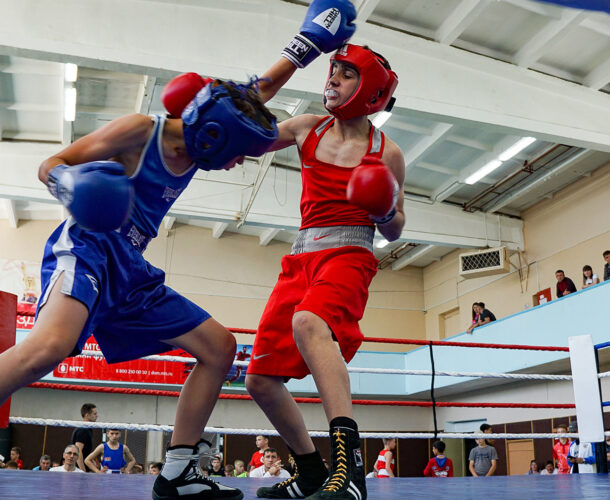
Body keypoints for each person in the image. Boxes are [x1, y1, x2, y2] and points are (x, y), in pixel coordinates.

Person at [0, 1, 355, 498]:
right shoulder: (138, 132)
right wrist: (72, 186)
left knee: (219, 347)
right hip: (88, 246)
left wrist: (307, 44)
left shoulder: (213, 124)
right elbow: (51, 164)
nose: (234, 166)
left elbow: (250, 98)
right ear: (213, 136)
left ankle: (178, 473)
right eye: (234, 155)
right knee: (49, 347)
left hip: (131, 269)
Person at [246, 38, 402, 500]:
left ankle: (350, 470)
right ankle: (312, 471)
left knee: (309, 322)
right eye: (331, 69)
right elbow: (248, 140)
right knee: (259, 379)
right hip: (300, 257)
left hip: (349, 254)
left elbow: (395, 230)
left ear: (371, 88)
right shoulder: (306, 127)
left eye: (345, 72)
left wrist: (383, 207)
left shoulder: (386, 153)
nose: (331, 78)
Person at [71, 402, 98, 472]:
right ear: (87, 415)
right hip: (78, 469)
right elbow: (78, 450)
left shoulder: (88, 429)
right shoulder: (83, 430)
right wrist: (82, 470)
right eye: (94, 414)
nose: (97, 416)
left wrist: (91, 460)